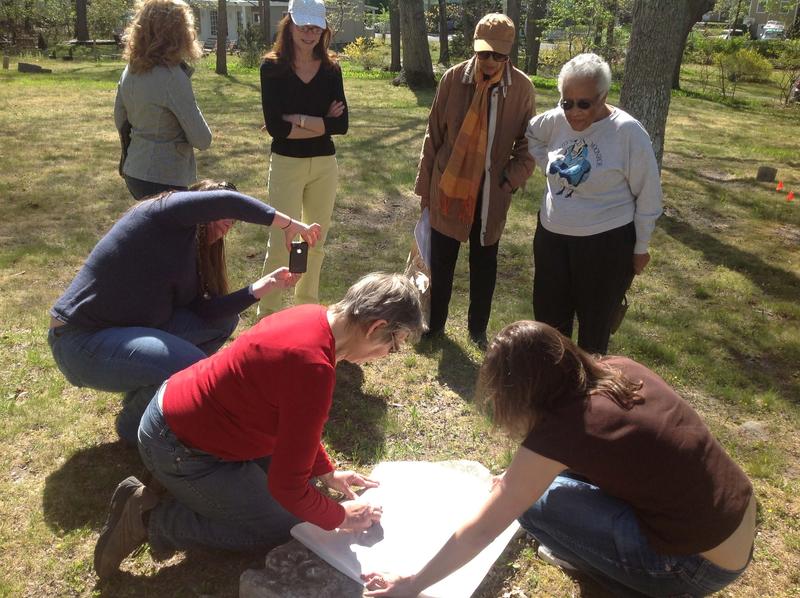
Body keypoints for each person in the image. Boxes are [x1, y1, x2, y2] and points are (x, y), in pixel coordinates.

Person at [362, 320, 756, 597]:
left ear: (520, 393)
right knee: (539, 485)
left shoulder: (565, 428)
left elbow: (485, 527)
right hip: (736, 523)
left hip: (696, 567)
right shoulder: (619, 368)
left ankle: (645, 587)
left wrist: (413, 585)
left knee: (534, 505)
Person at [92, 273, 425, 580]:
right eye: (393, 346)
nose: (387, 354)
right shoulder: (313, 368)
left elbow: (296, 425)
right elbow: (288, 489)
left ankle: (176, 487)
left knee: (301, 501)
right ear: (374, 326)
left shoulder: (313, 317)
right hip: (178, 445)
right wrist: (340, 517)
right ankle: (149, 520)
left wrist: (326, 472)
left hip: (180, 412)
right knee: (283, 525)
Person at [48, 181, 321, 445]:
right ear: (198, 205)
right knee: (192, 366)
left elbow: (207, 312)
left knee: (223, 321)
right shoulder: (162, 214)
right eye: (223, 215)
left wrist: (262, 287)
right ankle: (132, 428)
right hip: (79, 341)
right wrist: (289, 224)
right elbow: (228, 202)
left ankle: (145, 397)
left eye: (233, 222)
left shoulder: (196, 256)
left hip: (125, 333)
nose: (229, 223)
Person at [526, 53, 663, 355]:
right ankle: (553, 388)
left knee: (594, 330)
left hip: (606, 244)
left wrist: (641, 248)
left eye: (584, 103)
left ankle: (591, 395)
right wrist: (547, 163)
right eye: (567, 102)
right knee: (549, 327)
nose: (574, 112)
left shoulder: (627, 132)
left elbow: (649, 195)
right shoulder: (555, 121)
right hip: (552, 239)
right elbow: (531, 135)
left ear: (603, 96)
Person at [415, 13, 535, 349]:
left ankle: (477, 329)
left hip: (490, 193)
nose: (490, 60)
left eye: (499, 55)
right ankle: (434, 325)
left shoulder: (521, 88)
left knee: (484, 265)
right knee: (441, 261)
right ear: (475, 48)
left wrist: (508, 181)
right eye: (485, 53)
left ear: (509, 54)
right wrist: (425, 187)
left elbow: (530, 146)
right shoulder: (454, 79)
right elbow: (433, 134)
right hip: (448, 186)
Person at [258, 0, 348, 315]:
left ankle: (304, 312)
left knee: (315, 243)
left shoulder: (331, 69)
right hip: (286, 164)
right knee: (282, 242)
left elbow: (342, 124)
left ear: (324, 29)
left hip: (324, 164)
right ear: (290, 24)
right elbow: (275, 129)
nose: (309, 33)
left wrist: (296, 118)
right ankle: (268, 315)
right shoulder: (272, 68)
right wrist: (320, 122)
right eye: (303, 25)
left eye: (315, 27)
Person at [114, 0, 212, 200]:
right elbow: (202, 139)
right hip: (163, 178)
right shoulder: (172, 77)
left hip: (133, 170)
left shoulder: (131, 69)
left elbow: (120, 118)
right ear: (179, 33)